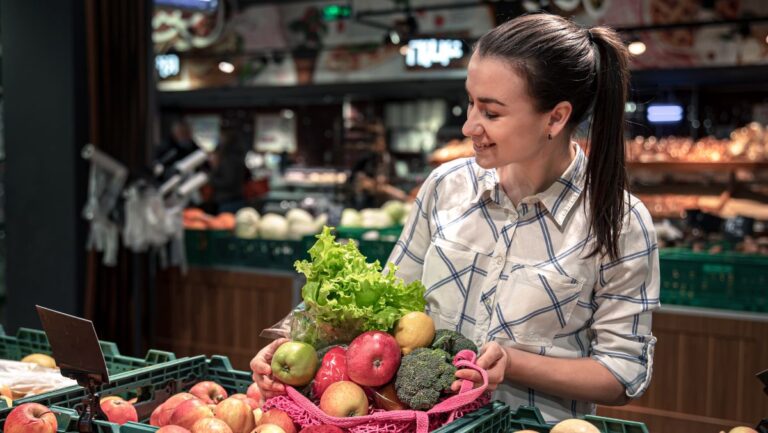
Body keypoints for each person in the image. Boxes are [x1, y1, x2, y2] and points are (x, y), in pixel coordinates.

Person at [251, 13, 659, 423]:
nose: (469, 126)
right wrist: (292, 342)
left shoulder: (621, 224)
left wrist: (512, 363)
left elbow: (621, 375)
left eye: (492, 113)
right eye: (470, 102)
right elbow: (386, 304)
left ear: (555, 117)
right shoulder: (446, 187)